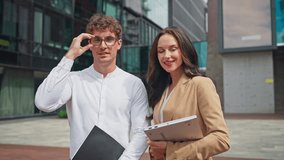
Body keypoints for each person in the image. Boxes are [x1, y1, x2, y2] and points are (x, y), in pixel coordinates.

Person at [35, 13, 149, 160]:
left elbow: (141, 131)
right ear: (90, 44)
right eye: (97, 40)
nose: (103, 46)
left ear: (118, 43)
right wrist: (69, 56)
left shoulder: (133, 84)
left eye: (109, 39)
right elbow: (43, 103)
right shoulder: (73, 80)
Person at [146, 26, 230, 160]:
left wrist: (170, 151)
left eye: (173, 49)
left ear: (184, 50)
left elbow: (221, 138)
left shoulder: (200, 84)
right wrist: (154, 149)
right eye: (161, 51)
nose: (166, 55)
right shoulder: (161, 89)